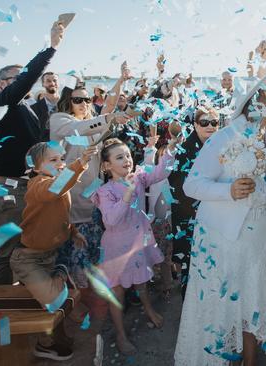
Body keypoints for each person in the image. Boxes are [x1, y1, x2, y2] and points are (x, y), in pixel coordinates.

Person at [174, 71, 266, 365]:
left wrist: (264, 187)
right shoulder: (226, 136)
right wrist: (230, 190)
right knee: (222, 302)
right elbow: (192, 185)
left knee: (252, 300)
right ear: (261, 96)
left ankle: (250, 361)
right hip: (221, 239)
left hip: (257, 237)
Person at [0, 18, 67, 285]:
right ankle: (2, 316)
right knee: (6, 254)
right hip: (5, 190)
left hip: (24, 187)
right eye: (18, 79)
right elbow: (29, 77)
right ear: (2, 84)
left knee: (24, 251)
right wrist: (51, 48)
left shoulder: (24, 108)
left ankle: (19, 306)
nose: (25, 83)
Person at [10, 142, 98, 361]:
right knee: (54, 301)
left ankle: (52, 340)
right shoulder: (39, 185)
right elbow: (56, 189)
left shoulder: (57, 186)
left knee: (48, 308)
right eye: (53, 160)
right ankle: (44, 342)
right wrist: (80, 163)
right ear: (36, 168)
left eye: (62, 159)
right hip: (28, 259)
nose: (60, 163)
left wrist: (74, 232)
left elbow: (61, 216)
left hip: (48, 254)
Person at [91, 136, 177, 355]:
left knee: (141, 280)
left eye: (128, 155)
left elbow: (161, 173)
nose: (127, 160)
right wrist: (128, 193)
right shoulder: (105, 192)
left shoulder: (138, 177)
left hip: (139, 242)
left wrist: (171, 149)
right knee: (117, 291)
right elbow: (110, 221)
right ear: (107, 165)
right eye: (120, 157)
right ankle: (120, 333)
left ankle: (148, 308)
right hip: (116, 250)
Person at [49, 86, 130, 289]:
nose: (84, 103)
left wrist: (120, 79)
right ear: (68, 101)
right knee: (73, 256)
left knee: (93, 253)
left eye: (87, 99)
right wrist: (109, 117)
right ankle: (72, 300)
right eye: (77, 100)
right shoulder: (60, 120)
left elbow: (108, 108)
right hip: (70, 196)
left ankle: (92, 298)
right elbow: (78, 128)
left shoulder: (93, 126)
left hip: (93, 196)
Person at [168, 106, 219, 299]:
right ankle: (190, 307)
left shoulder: (220, 145)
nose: (210, 127)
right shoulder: (184, 151)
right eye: (204, 123)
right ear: (195, 125)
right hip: (189, 216)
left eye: (214, 122)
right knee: (191, 264)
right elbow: (179, 188)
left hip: (214, 214)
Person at [145, 141, 175, 301]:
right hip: (152, 224)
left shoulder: (168, 179)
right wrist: (150, 145)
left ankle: (167, 284)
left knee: (165, 258)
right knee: (155, 256)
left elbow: (168, 204)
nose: (165, 158)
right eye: (162, 155)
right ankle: (156, 282)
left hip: (165, 225)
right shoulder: (151, 175)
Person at [31, 72, 60, 141]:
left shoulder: (68, 104)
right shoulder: (34, 108)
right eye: (48, 81)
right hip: (45, 147)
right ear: (43, 84)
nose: (52, 83)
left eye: (55, 80)